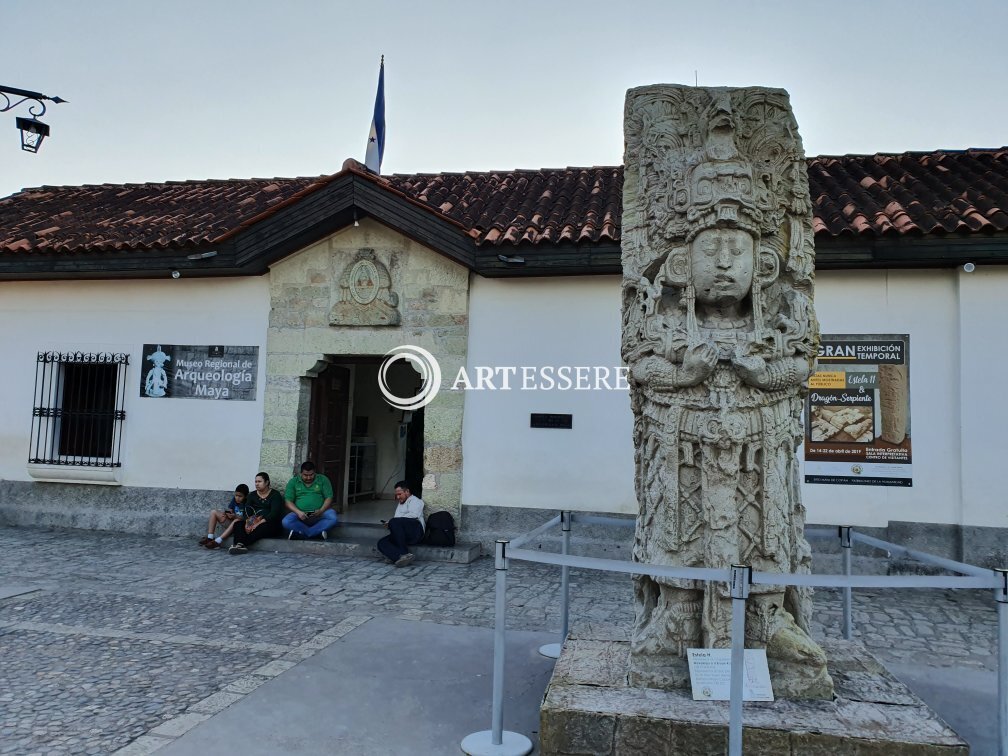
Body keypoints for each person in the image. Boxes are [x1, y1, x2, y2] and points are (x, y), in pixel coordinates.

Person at [228, 472, 285, 555]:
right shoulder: (252, 495)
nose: (257, 484)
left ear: (267, 482)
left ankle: (242, 543)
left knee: (264, 527)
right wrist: (249, 524)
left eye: (259, 482)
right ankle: (239, 545)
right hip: (253, 522)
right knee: (238, 524)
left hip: (269, 523)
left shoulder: (275, 495)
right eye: (256, 482)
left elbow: (274, 513)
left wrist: (257, 524)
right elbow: (247, 511)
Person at [282, 461, 338, 540]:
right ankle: (316, 533)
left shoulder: (323, 479)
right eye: (305, 475)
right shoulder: (293, 482)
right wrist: (298, 512)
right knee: (286, 521)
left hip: (319, 513)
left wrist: (321, 510)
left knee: (333, 517)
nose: (308, 478)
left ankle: (303, 534)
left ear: (315, 472)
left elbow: (329, 497)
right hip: (300, 514)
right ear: (301, 473)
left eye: (311, 475)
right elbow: (288, 501)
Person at [377, 481, 425, 567]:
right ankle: (398, 557)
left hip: (416, 532)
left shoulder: (416, 501)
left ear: (407, 491)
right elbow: (397, 520)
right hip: (403, 535)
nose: (398, 497)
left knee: (394, 521)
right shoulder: (400, 504)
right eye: (396, 495)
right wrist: (389, 524)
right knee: (381, 543)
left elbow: (414, 515)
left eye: (400, 494)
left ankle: (403, 553)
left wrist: (393, 522)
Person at [200, 484, 248, 550]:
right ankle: (210, 537)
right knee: (214, 512)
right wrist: (227, 514)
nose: (237, 498)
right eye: (236, 495)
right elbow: (230, 510)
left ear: (245, 496)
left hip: (239, 527)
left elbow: (246, 518)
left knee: (237, 520)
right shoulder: (234, 500)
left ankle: (218, 541)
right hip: (231, 522)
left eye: (240, 496)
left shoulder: (247, 503)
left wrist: (235, 516)